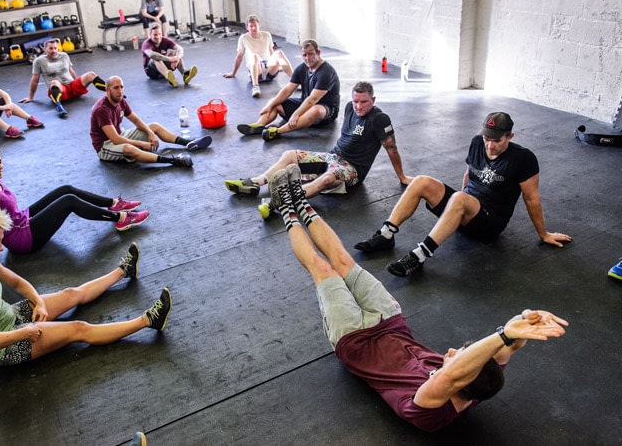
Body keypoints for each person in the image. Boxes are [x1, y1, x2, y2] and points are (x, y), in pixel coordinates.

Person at [268, 162, 568, 432]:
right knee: (344, 261)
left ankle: (287, 210)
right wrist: (525, 320)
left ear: (461, 379)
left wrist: (503, 334)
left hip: (355, 340)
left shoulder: (428, 409)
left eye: (457, 357)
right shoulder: (481, 382)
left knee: (322, 269)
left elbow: (450, 376)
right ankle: (300, 202)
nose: (450, 351)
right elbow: (507, 350)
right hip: (390, 322)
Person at [0, 205, 172, 366]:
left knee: (71, 293)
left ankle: (124, 270)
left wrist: (38, 302)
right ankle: (149, 321)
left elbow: (17, 282)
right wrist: (25, 332)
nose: (1, 248)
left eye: (0, 241)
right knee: (78, 329)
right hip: (3, 347)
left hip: (11, 317)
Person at [354, 112, 572, 277]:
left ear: (510, 136)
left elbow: (532, 199)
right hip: (465, 208)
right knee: (421, 181)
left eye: (496, 141)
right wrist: (455, 210)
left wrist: (544, 234)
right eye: (487, 138)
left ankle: (418, 257)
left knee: (459, 198)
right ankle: (386, 235)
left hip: (490, 223)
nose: (490, 145)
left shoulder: (524, 159)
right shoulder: (477, 142)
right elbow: (469, 174)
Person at [225, 82, 412, 217]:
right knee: (289, 155)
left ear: (373, 100)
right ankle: (255, 183)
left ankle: (278, 202)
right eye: (356, 101)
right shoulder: (349, 107)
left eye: (364, 102)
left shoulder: (380, 119)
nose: (358, 106)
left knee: (328, 178)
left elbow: (391, 148)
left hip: (352, 169)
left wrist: (402, 177)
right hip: (333, 157)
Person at [0, 145, 149, 254]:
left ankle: (113, 204)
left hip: (22, 219)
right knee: (68, 201)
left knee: (65, 189)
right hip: (23, 239)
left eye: (0, 161)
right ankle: (122, 219)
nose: (0, 166)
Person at [90, 76, 211, 168]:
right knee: (129, 149)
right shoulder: (102, 109)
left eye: (121, 87)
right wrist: (142, 144)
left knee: (154, 126)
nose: (120, 91)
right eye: (116, 88)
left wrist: (150, 133)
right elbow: (116, 140)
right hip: (105, 145)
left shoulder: (120, 99)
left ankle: (188, 143)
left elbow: (135, 120)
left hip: (120, 134)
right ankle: (173, 160)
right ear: (107, 90)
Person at [237, 39, 340, 142]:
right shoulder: (302, 68)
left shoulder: (326, 72)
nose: (308, 58)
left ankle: (278, 131)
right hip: (305, 104)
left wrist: (296, 114)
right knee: (275, 102)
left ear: (318, 53)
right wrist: (270, 105)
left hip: (325, 110)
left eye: (311, 54)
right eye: (304, 55)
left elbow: (313, 99)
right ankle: (258, 125)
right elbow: (288, 89)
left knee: (316, 110)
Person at [22, 39, 107, 118]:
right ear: (45, 49)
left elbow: (71, 71)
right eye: (51, 48)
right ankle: (59, 107)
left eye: (55, 48)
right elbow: (35, 80)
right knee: (54, 82)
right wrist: (31, 97)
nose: (54, 51)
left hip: (72, 86)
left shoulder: (64, 55)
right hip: (60, 91)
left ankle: (110, 92)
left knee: (91, 74)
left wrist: (78, 84)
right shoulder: (38, 61)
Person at [223, 14, 292, 97]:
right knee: (255, 56)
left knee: (279, 52)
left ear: (259, 25)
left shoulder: (267, 35)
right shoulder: (244, 38)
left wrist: (279, 66)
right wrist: (233, 73)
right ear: (247, 27)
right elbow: (239, 57)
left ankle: (295, 80)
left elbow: (272, 53)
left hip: (269, 69)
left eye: (255, 25)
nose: (253, 28)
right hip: (256, 71)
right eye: (251, 26)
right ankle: (255, 87)